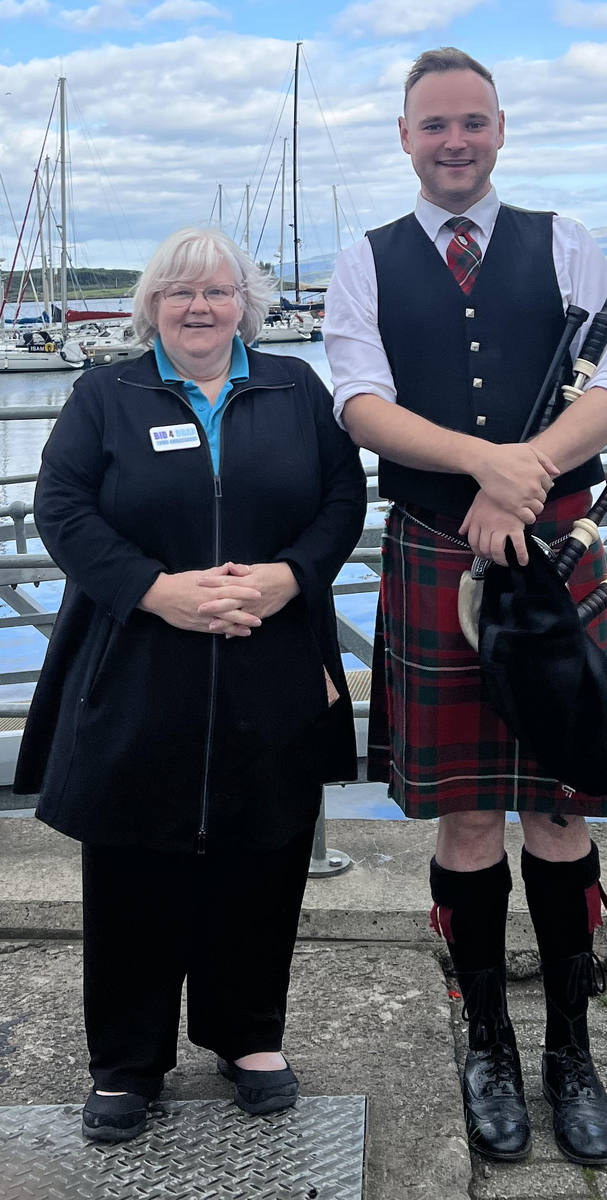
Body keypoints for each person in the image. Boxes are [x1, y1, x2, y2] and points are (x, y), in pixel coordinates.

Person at [323, 48, 607, 1168]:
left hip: (556, 557)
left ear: (498, 130)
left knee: (560, 815)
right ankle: (488, 1047)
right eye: (432, 127)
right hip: (431, 552)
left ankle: (571, 1052)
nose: (453, 143)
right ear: (403, 139)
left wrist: (528, 473)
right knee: (467, 822)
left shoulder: (564, 240)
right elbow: (359, 402)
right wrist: (485, 469)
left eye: (471, 123)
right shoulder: (362, 262)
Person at [14, 227, 366, 1144]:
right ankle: (126, 1062)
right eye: (179, 294)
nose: (199, 308)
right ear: (151, 308)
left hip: (273, 647)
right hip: (140, 656)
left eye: (216, 291)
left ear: (245, 303)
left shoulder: (296, 388)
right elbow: (62, 508)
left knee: (264, 847)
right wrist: (156, 591)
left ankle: (248, 1036)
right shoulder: (106, 393)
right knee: (132, 857)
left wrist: (289, 577)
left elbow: (342, 500)